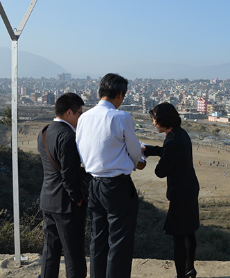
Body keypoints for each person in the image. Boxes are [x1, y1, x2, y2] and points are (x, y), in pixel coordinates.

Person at [76, 73, 146, 278]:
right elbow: (134, 152)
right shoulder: (121, 117)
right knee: (120, 241)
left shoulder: (84, 118)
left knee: (98, 239)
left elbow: (81, 148)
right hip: (117, 185)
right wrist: (135, 162)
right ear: (120, 95)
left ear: (100, 92)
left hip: (93, 184)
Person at [143, 102, 200, 278]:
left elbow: (160, 172)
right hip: (190, 189)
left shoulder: (173, 140)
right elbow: (168, 152)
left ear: (162, 120)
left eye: (155, 120)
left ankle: (181, 275)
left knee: (178, 237)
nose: (153, 123)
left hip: (180, 194)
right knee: (189, 231)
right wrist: (149, 150)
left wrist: (144, 158)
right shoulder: (180, 134)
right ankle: (190, 268)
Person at [38, 93, 87, 278]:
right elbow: (69, 176)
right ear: (69, 112)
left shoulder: (44, 131)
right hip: (66, 204)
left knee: (50, 251)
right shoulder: (68, 136)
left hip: (48, 200)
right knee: (74, 253)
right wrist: (79, 199)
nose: (80, 118)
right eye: (79, 113)